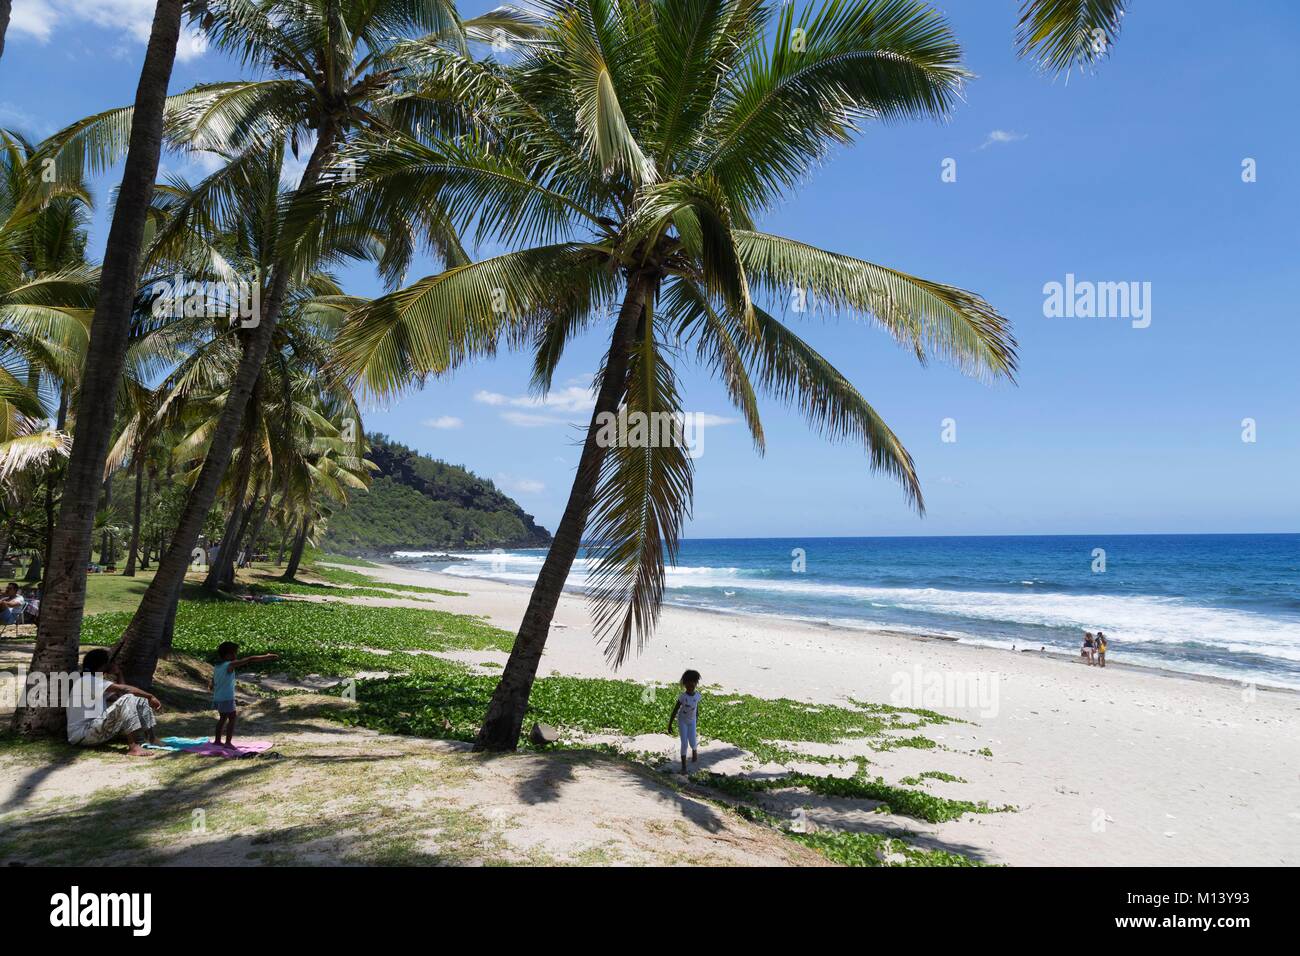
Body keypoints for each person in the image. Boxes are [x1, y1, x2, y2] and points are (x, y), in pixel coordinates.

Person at [66, 649, 163, 756]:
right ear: (104, 665)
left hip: (93, 732)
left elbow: (121, 697)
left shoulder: (93, 681)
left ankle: (151, 738)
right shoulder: (87, 680)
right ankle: (134, 747)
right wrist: (150, 696)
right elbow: (125, 691)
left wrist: (119, 674)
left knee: (138, 699)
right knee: (131, 697)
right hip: (83, 735)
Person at [211, 641, 279, 748]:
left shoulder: (217, 666)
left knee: (222, 718)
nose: (235, 656)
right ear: (227, 655)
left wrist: (211, 685)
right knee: (232, 718)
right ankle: (228, 743)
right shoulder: (230, 665)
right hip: (227, 697)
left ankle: (217, 741)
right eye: (234, 653)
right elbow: (250, 659)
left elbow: (213, 680)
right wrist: (267, 657)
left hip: (218, 697)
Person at [667, 669, 702, 773]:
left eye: (693, 683)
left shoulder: (697, 696)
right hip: (682, 721)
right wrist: (670, 724)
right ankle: (684, 766)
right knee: (684, 743)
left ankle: (694, 752)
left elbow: (696, 708)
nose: (691, 685)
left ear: (696, 683)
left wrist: (696, 718)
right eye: (688, 683)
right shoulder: (682, 697)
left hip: (692, 721)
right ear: (685, 684)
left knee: (692, 741)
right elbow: (675, 710)